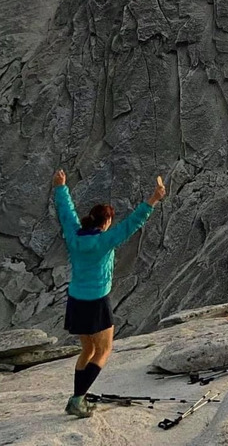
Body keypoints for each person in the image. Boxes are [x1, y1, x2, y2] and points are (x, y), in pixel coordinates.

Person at [52, 168, 166, 418]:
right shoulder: (104, 240)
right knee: (103, 350)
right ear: (105, 223)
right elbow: (132, 224)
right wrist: (154, 199)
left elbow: (66, 213)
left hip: (76, 299)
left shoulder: (73, 235)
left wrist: (61, 187)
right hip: (97, 301)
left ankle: (77, 398)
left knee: (87, 350)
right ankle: (77, 399)